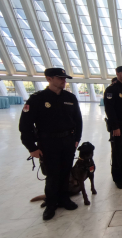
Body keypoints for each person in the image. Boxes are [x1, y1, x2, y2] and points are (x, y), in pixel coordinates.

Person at [19, 68, 82, 220]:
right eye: (60, 78)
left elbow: (78, 120)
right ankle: (51, 203)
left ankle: (64, 198)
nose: (63, 80)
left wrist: (76, 139)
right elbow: (25, 125)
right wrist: (31, 147)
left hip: (67, 141)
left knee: (66, 171)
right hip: (48, 143)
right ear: (49, 79)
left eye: (64, 78)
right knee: (52, 174)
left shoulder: (70, 98)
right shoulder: (37, 99)